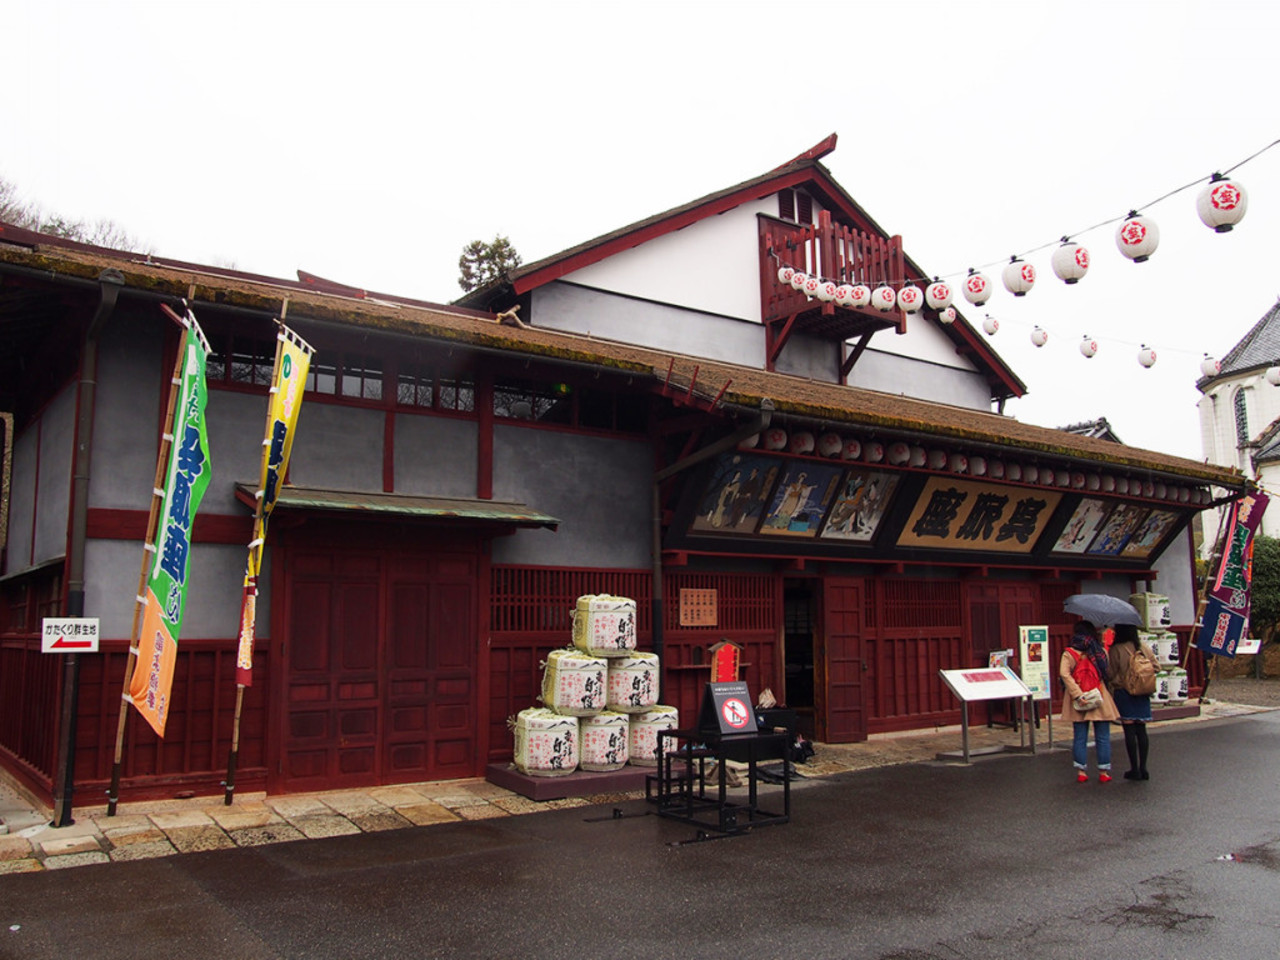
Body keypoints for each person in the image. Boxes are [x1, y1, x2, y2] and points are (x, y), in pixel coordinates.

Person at [1060, 620, 1119, 783]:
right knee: (1103, 736)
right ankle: (1103, 772)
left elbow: (1064, 674)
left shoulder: (1069, 653)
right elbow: (1107, 672)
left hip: (1079, 700)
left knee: (1080, 736)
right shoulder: (1100, 651)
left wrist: (1078, 694)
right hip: (1099, 695)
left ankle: (1081, 771)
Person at [1108, 623, 1156, 780]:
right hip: (1142, 692)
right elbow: (1157, 667)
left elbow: (1110, 673)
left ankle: (1134, 768)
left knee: (1129, 730)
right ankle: (1144, 768)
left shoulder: (1117, 649)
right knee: (1141, 729)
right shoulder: (1143, 648)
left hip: (1124, 692)